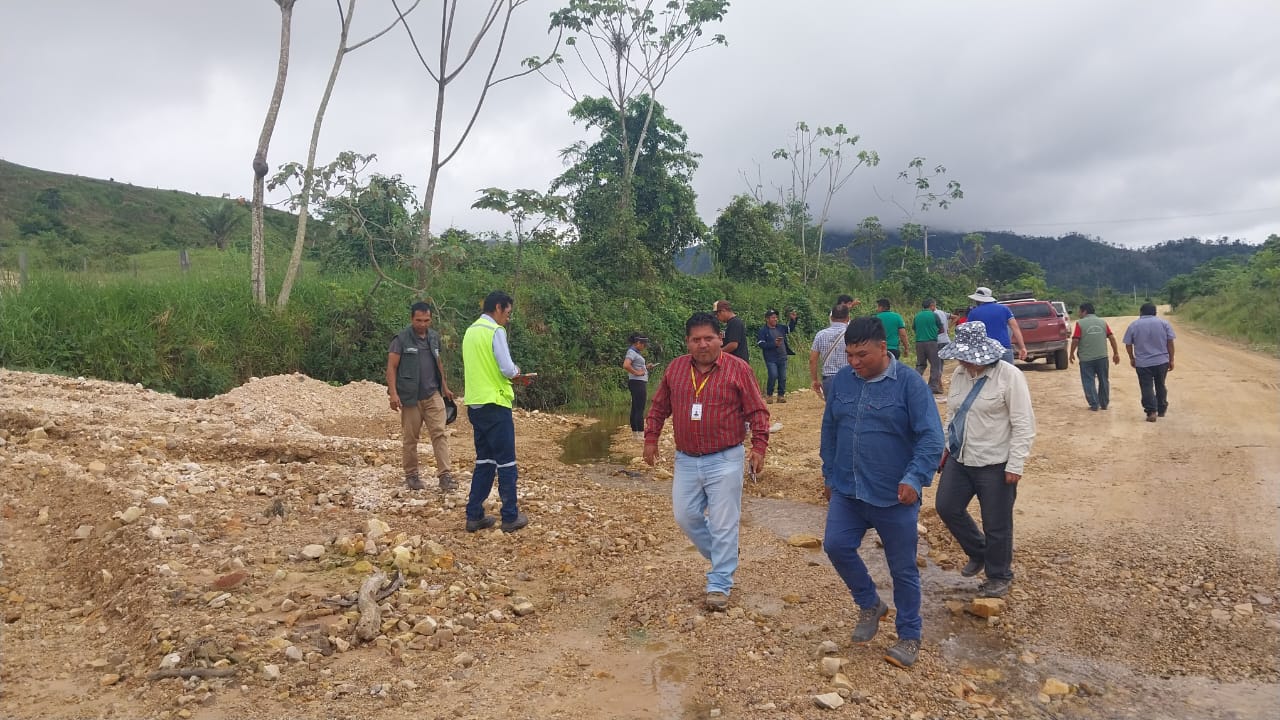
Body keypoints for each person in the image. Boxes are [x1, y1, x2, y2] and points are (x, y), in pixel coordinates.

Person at [820, 317, 944, 669]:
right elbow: (830, 429)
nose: (854, 362)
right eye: (849, 355)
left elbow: (932, 437)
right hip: (848, 488)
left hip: (895, 493)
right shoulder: (842, 381)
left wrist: (915, 478)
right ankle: (870, 604)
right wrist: (828, 473)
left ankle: (909, 635)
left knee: (902, 568)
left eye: (862, 355)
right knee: (836, 545)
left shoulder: (909, 384)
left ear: (882, 347)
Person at [644, 312, 769, 612]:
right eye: (696, 339)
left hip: (726, 457)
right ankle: (724, 553)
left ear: (720, 339)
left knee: (724, 522)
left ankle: (719, 584)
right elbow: (659, 406)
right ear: (687, 342)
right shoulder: (676, 369)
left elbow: (757, 410)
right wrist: (651, 438)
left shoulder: (738, 369)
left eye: (709, 338)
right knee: (685, 516)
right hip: (686, 458)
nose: (703, 344)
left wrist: (759, 446)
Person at [935, 321, 1036, 600]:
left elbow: (1024, 424)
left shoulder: (1009, 376)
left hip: (995, 462)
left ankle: (999, 575)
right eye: (960, 356)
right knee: (946, 506)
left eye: (967, 356)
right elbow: (953, 414)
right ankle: (979, 551)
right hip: (961, 458)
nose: (962, 361)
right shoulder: (960, 374)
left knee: (996, 523)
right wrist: (945, 447)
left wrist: (1015, 464)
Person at [461, 291, 532, 533]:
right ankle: (510, 516)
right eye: (507, 313)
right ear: (498, 308)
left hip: (476, 404)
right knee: (506, 462)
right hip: (496, 403)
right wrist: (518, 372)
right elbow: (507, 368)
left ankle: (474, 515)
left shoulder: (471, 331)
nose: (507, 318)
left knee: (484, 460)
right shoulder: (495, 331)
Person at [386, 302, 457, 491]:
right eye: (418, 320)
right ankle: (411, 475)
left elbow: (438, 363)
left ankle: (445, 476)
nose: (422, 324)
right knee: (410, 438)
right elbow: (392, 367)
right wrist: (393, 393)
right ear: (412, 319)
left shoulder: (433, 338)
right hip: (410, 397)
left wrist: (445, 387)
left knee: (439, 434)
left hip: (433, 394)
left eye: (426, 320)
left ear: (431, 319)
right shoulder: (401, 339)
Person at [1122, 302, 1176, 422]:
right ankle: (1161, 409)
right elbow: (1170, 343)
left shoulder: (1134, 325)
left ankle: (1151, 411)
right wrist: (1171, 359)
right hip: (1161, 361)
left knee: (1146, 386)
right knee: (1160, 384)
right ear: (1155, 312)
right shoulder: (1164, 323)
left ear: (1141, 312)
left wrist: (1132, 358)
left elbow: (1128, 344)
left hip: (1143, 363)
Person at [1068, 303, 1120, 411]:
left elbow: (1075, 340)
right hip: (1102, 357)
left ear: (1084, 311)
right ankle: (1104, 404)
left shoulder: (1080, 323)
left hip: (1086, 359)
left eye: (1079, 311)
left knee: (1088, 381)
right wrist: (1116, 353)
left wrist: (1071, 353)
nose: (1078, 313)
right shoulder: (1103, 322)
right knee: (1104, 380)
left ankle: (1094, 404)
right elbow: (1112, 338)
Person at [964, 287, 1027, 364]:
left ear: (977, 300)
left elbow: (967, 332)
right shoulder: (1004, 309)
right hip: (1004, 348)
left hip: (985, 351)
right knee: (1007, 371)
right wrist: (1022, 347)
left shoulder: (973, 313)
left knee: (987, 372)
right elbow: (1015, 328)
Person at [810, 304, 851, 399]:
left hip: (828, 378)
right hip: (848, 376)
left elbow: (812, 360)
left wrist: (815, 380)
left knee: (832, 406)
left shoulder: (820, 335)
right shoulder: (852, 333)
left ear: (831, 318)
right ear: (848, 318)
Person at [756, 309, 796, 403]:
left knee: (783, 377)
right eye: (773, 317)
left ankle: (781, 395)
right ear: (767, 319)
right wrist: (774, 344)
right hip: (771, 358)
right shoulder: (763, 331)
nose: (775, 319)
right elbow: (761, 344)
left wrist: (793, 320)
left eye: (776, 317)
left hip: (782, 356)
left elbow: (790, 329)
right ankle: (769, 395)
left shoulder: (780, 327)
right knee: (773, 375)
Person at [623, 333, 651, 439]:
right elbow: (626, 365)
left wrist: (646, 367)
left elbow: (637, 366)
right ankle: (640, 434)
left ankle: (635, 434)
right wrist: (636, 373)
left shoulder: (635, 352)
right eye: (644, 345)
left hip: (636, 382)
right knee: (639, 408)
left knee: (635, 408)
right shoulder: (631, 352)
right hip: (638, 382)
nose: (644, 347)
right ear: (638, 343)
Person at [912, 299, 943, 394]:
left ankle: (913, 384)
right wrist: (933, 333)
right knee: (935, 365)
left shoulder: (917, 316)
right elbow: (941, 329)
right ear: (931, 305)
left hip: (919, 343)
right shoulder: (934, 315)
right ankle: (933, 386)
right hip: (931, 342)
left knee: (920, 365)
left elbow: (914, 328)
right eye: (934, 306)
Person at [714, 300, 750, 365]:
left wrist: (718, 353)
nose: (717, 317)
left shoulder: (735, 323)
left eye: (717, 314)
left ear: (723, 310)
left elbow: (733, 345)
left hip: (738, 362)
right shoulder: (730, 323)